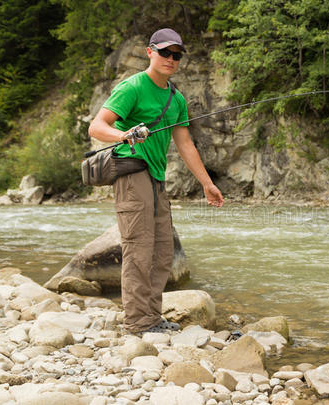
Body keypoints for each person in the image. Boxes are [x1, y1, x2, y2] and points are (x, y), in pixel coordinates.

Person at [89, 28, 224, 335]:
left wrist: (206, 183)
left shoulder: (176, 99)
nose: (171, 59)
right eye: (165, 52)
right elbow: (97, 127)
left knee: (163, 252)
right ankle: (138, 322)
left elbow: (185, 144)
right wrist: (125, 135)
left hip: (157, 179)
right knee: (138, 250)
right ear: (150, 52)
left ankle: (152, 316)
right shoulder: (133, 87)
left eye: (176, 55)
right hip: (132, 172)